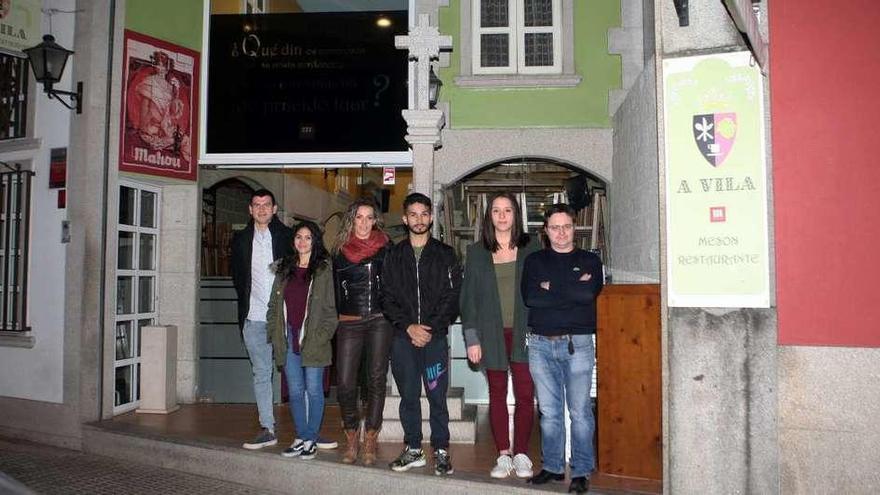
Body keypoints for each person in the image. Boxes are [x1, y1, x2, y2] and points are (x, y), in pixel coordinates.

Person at [521, 203, 603, 494]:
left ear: (575, 229)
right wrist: (569, 289)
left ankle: (581, 470)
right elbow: (531, 298)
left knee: (580, 411)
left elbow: (586, 294)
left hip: (578, 343)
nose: (561, 233)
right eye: (554, 227)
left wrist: (550, 289)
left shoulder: (590, 261)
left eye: (566, 226)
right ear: (545, 231)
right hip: (541, 345)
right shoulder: (534, 261)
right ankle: (553, 467)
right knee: (549, 411)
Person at [460, 192, 539, 479]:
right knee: (497, 395)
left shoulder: (532, 247)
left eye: (508, 210)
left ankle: (521, 454)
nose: (502, 216)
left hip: (525, 334)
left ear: (516, 215)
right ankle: (503, 454)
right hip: (490, 334)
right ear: (489, 216)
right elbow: (468, 300)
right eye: (496, 211)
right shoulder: (477, 252)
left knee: (526, 394)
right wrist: (472, 339)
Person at [382, 193, 461, 476]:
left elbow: (453, 298)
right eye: (413, 214)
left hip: (435, 340)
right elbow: (387, 297)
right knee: (409, 396)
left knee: (437, 396)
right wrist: (408, 327)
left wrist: (429, 329)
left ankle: (441, 450)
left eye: (424, 213)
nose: (419, 219)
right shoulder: (393, 255)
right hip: (403, 340)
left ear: (431, 216)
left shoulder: (446, 254)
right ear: (405, 218)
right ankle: (413, 449)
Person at [266, 221, 337, 460]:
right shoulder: (284, 268)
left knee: (314, 390)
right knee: (295, 391)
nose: (303, 241)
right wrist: (273, 332)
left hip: (313, 339)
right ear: (293, 240)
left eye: (308, 237)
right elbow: (274, 305)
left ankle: (310, 439)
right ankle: (303, 437)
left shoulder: (323, 269)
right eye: (299, 237)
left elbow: (331, 310)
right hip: (288, 338)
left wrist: (322, 336)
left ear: (315, 241)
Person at [332, 198, 394, 465]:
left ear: (375, 220)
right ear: (351, 220)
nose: (365, 223)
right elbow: (333, 290)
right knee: (345, 383)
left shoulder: (386, 248)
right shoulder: (338, 251)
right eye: (359, 217)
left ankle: (370, 437)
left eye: (370, 217)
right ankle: (351, 435)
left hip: (380, 319)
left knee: (376, 380)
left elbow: (395, 284)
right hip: (349, 321)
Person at [231, 189, 293, 450]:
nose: (262, 209)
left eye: (267, 204)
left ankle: (307, 431)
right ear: (250, 210)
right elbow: (238, 278)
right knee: (261, 373)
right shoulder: (241, 240)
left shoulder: (288, 237)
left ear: (275, 208)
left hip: (285, 318)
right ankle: (267, 427)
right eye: (257, 205)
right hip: (254, 318)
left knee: (297, 373)